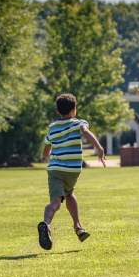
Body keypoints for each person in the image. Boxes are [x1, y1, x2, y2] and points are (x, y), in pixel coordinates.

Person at [37, 93, 106, 250]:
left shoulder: (52, 128)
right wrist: (99, 148)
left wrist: (44, 157)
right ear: (74, 109)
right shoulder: (78, 123)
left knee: (56, 202)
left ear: (57, 111)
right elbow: (86, 132)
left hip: (55, 170)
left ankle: (46, 223)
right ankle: (78, 227)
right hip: (72, 171)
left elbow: (46, 148)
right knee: (69, 194)